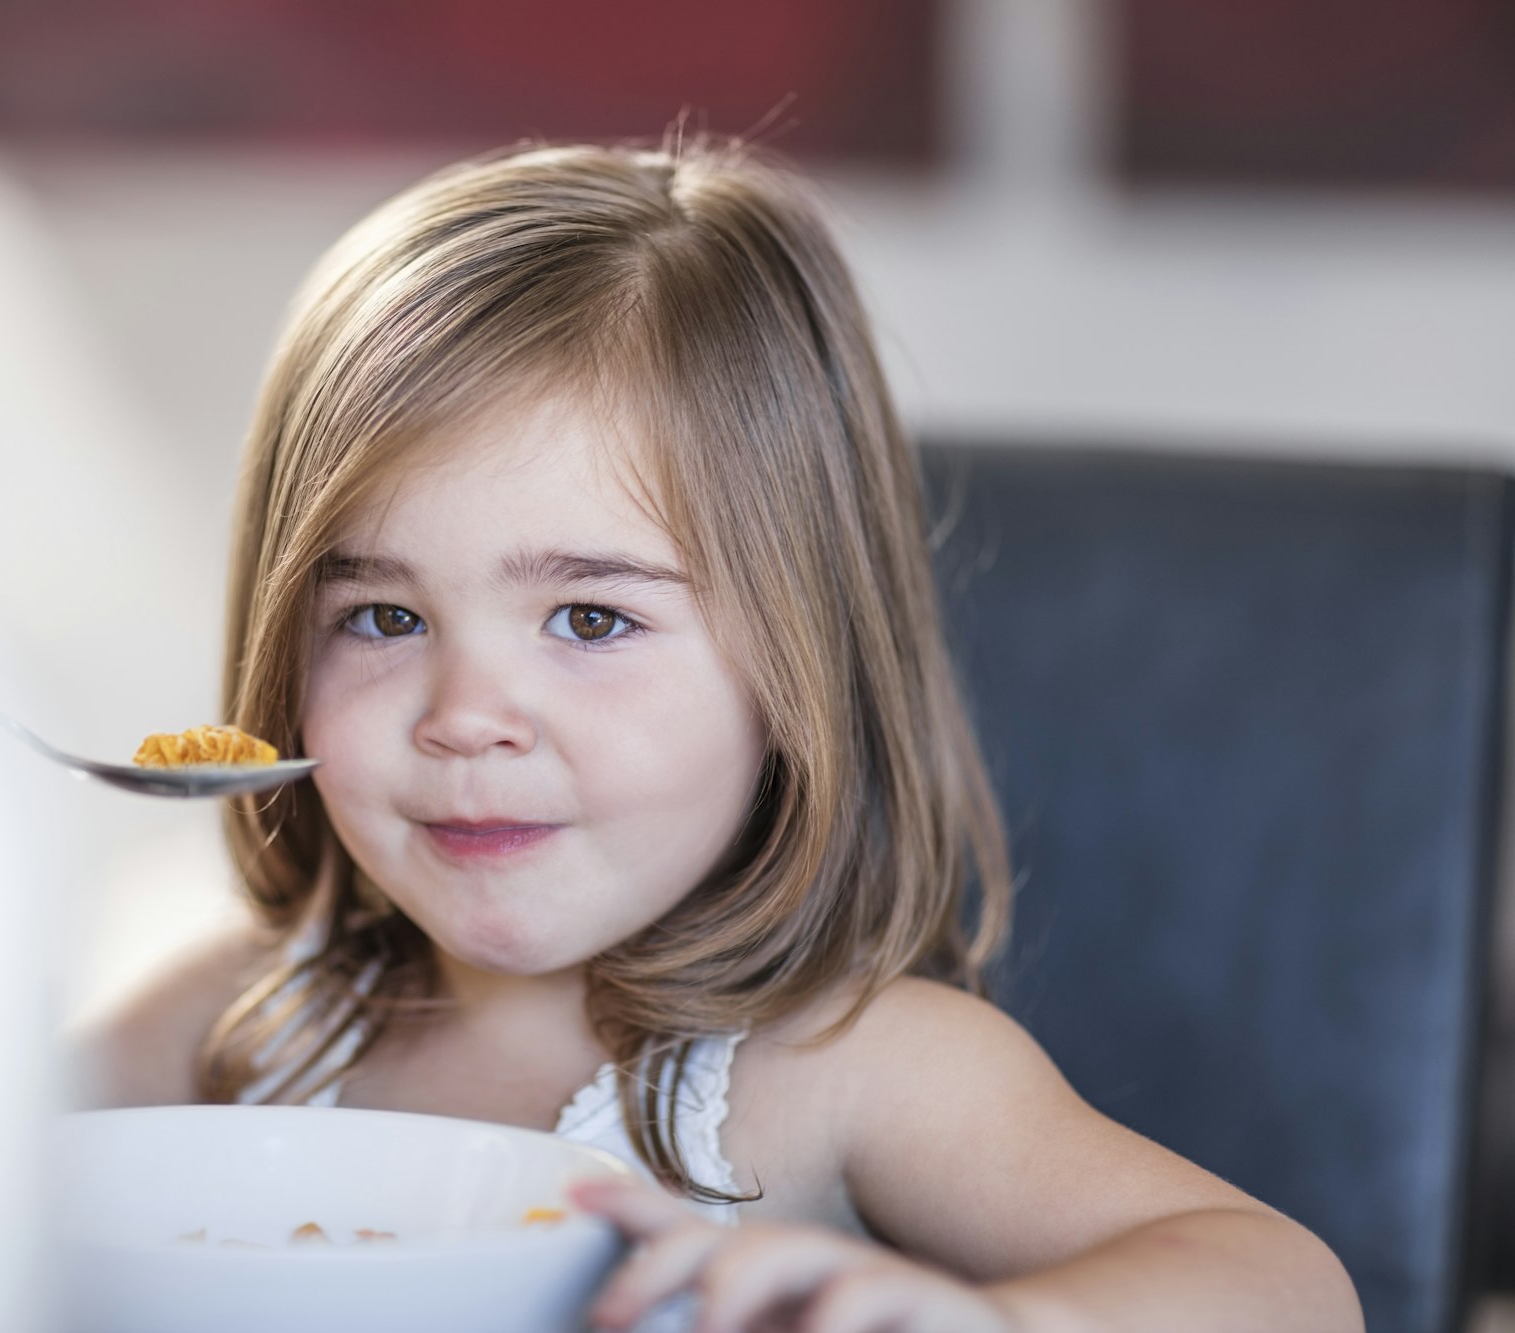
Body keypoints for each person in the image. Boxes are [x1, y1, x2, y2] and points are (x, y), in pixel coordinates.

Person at [79, 132, 1363, 1331]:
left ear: (794, 661)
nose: (466, 718)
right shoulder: (241, 1019)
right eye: (379, 616)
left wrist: (994, 1322)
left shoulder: (849, 1071)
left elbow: (1286, 1285)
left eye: (587, 618)